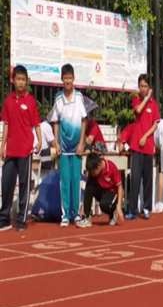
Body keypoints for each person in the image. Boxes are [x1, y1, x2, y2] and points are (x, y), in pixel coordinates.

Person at [0, 65, 42, 231]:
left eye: (23, 80)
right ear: (13, 80)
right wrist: (3, 145)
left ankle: (22, 219)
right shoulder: (8, 101)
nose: (20, 82)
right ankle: (4, 218)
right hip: (10, 150)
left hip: (25, 150)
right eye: (18, 79)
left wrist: (39, 140)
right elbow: (6, 124)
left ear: (26, 81)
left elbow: (36, 123)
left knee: (24, 184)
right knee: (6, 183)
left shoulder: (30, 101)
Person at [48, 64, 88, 228]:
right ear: (62, 80)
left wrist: (81, 143)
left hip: (77, 148)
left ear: (73, 79)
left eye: (70, 78)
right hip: (63, 149)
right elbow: (55, 121)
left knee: (76, 181)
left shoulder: (79, 97)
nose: (68, 81)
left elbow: (84, 120)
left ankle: (76, 215)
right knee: (65, 181)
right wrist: (56, 143)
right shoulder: (58, 98)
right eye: (65, 78)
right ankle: (65, 215)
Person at [128, 74, 160, 220]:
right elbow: (138, 111)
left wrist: (145, 137)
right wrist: (145, 99)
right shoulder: (136, 100)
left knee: (147, 179)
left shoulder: (154, 105)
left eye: (145, 86)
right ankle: (132, 209)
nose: (142, 88)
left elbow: (155, 124)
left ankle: (147, 208)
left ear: (149, 88)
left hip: (147, 146)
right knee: (135, 179)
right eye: (141, 86)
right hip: (136, 146)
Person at [84, 152, 125, 227]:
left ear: (99, 166)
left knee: (103, 205)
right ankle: (87, 218)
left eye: (93, 172)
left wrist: (119, 206)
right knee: (89, 187)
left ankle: (113, 213)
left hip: (113, 193)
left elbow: (120, 187)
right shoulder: (93, 171)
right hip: (102, 191)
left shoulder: (111, 167)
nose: (91, 174)